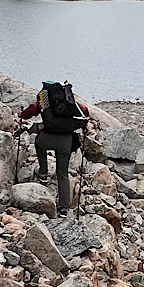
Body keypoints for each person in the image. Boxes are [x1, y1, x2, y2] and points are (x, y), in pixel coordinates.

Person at [18, 81, 92, 213]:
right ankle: (64, 208)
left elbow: (30, 112)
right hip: (66, 142)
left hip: (47, 139)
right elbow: (85, 112)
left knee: (38, 142)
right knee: (62, 173)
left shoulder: (45, 99)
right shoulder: (69, 101)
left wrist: (21, 115)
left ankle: (43, 172)